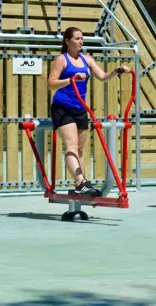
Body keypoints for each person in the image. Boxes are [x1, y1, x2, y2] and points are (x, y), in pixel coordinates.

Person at [48, 27, 131, 196]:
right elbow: (51, 83)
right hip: (63, 106)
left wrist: (116, 71)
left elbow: (103, 77)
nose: (80, 41)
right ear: (67, 41)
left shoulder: (87, 59)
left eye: (82, 38)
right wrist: (71, 79)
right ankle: (81, 183)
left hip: (80, 107)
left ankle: (82, 184)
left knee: (80, 149)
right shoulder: (61, 60)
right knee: (71, 144)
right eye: (77, 38)